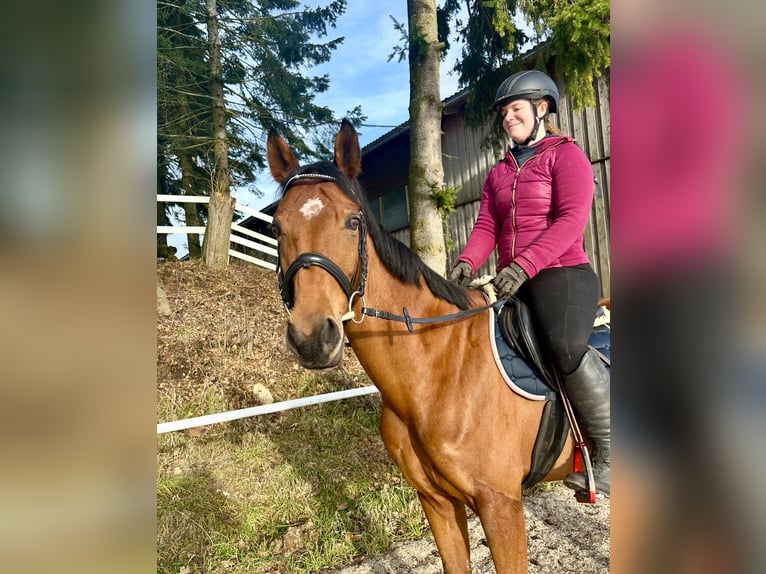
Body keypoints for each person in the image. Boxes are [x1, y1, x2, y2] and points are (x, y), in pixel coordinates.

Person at [449, 70, 610, 496]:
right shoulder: (498, 173)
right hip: (512, 279)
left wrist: (524, 264)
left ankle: (612, 451)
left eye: (515, 109)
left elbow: (570, 222)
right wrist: (467, 261)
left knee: (563, 344)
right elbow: (487, 223)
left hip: (562, 272)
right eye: (503, 112)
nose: (507, 117)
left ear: (541, 109)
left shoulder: (567, 156)